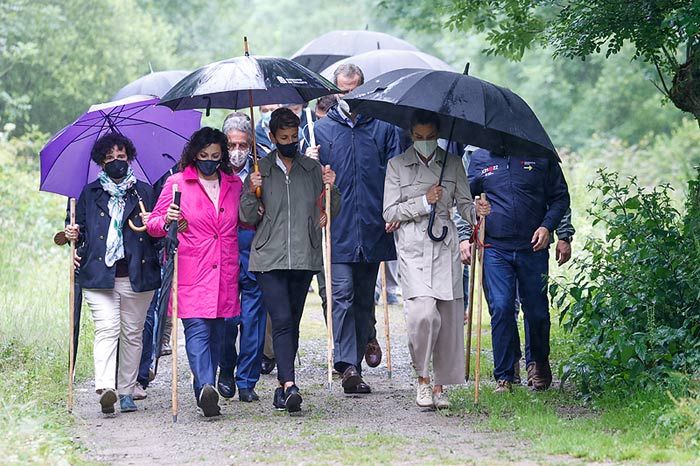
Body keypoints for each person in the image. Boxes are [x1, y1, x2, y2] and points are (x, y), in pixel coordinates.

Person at [383, 110, 491, 408]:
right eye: (419, 138)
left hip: (445, 246)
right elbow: (390, 213)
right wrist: (422, 201)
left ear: (438, 135)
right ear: (411, 135)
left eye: (430, 137)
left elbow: (465, 205)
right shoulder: (397, 166)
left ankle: (440, 386)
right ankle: (422, 379)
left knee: (447, 317)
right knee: (423, 315)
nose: (425, 142)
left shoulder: (453, 164)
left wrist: (477, 213)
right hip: (413, 248)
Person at [240, 107, 339, 413]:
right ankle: (289, 385)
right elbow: (245, 216)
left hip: (304, 254)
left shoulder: (312, 169)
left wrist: (330, 187)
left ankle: (283, 388)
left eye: (294, 137)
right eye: (283, 137)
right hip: (269, 256)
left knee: (292, 323)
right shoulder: (262, 170)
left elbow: (329, 212)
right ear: (272, 137)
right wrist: (251, 190)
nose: (290, 142)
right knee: (280, 320)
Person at [313, 63, 401, 393]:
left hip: (373, 226)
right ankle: (347, 365)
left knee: (365, 298)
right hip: (337, 228)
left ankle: (359, 355)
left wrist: (392, 210)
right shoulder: (323, 131)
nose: (349, 95)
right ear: (335, 92)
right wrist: (312, 164)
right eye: (343, 90)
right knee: (341, 294)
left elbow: (395, 174)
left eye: (355, 89)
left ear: (365, 88)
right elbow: (312, 181)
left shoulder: (383, 128)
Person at [147, 127, 242, 417]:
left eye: (215, 156)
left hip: (225, 267)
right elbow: (153, 224)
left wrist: (256, 195)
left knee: (220, 332)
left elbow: (247, 221)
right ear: (194, 155)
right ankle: (204, 387)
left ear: (222, 156)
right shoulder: (177, 184)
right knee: (197, 329)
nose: (209, 161)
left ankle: (206, 388)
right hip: (193, 267)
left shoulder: (234, 184)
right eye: (203, 156)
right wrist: (167, 219)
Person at [64, 132, 161, 415]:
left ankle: (127, 391)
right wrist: (71, 234)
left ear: (129, 158)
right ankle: (106, 388)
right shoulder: (89, 192)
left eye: (120, 157)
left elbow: (159, 234)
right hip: (98, 275)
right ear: (100, 162)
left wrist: (153, 223)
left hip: (138, 274)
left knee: (132, 333)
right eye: (109, 158)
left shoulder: (144, 191)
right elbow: (74, 229)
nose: (116, 162)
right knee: (107, 328)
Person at [467, 148, 570, 393]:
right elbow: (463, 197)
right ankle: (505, 374)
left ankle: (538, 363)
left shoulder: (541, 155)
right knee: (501, 307)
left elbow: (560, 197)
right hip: (495, 247)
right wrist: (474, 207)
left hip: (533, 246)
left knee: (536, 311)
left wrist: (548, 227)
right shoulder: (479, 158)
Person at [217, 112, 267, 402]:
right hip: (223, 252)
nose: (237, 151)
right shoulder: (215, 174)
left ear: (251, 145)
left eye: (242, 145)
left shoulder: (261, 172)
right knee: (226, 319)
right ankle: (226, 365)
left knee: (253, 319)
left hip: (255, 250)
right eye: (232, 145)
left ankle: (247, 379)